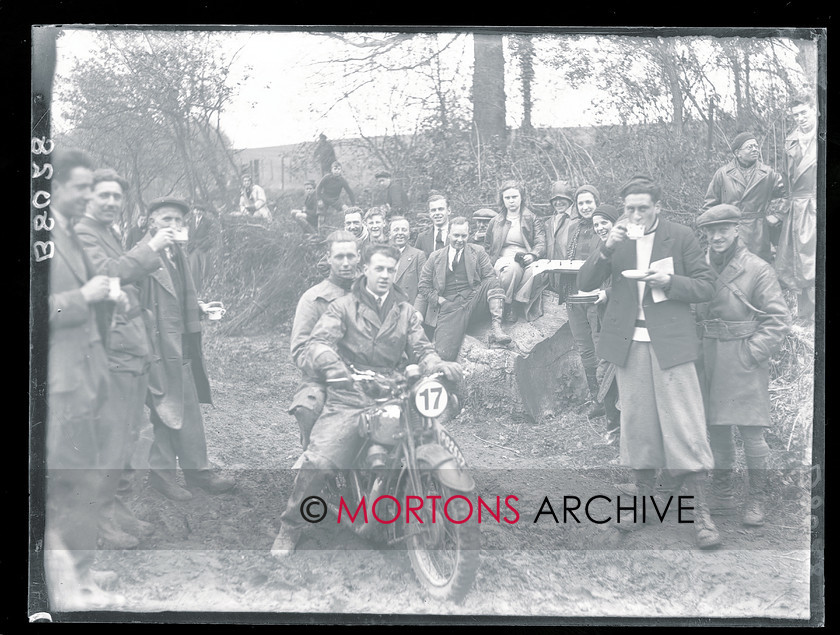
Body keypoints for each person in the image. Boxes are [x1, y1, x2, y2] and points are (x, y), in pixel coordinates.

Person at [271, 244, 463, 557]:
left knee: (424, 436)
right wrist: (335, 368)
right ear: (366, 271)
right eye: (379, 269)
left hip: (393, 389)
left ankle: (423, 500)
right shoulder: (343, 306)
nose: (385, 275)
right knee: (320, 462)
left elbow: (422, 349)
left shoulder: (405, 312)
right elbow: (318, 344)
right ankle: (290, 525)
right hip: (351, 394)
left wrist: (436, 364)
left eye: (390, 269)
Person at [578, 175, 720, 549]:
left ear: (658, 206)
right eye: (630, 208)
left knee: (685, 426)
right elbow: (584, 280)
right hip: (630, 345)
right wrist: (606, 248)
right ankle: (642, 506)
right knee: (637, 426)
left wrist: (670, 280)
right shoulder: (617, 240)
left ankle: (700, 513)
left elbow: (706, 286)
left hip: (671, 344)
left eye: (643, 207)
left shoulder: (680, 236)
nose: (636, 214)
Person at [75, 168, 176, 550]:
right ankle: (100, 521)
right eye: (105, 196)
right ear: (88, 197)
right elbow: (105, 276)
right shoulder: (83, 233)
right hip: (110, 349)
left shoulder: (109, 232)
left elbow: (119, 278)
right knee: (111, 439)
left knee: (128, 435)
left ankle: (117, 510)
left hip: (129, 344)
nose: (112, 203)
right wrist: (149, 248)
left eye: (117, 197)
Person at [44, 149, 124, 608]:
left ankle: (80, 571)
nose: (89, 196)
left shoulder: (68, 232)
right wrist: (80, 298)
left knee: (83, 479)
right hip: (61, 384)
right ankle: (71, 585)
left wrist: (108, 299)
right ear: (52, 188)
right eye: (80, 188)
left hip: (85, 378)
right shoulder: (43, 236)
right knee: (70, 481)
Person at [695, 204, 790, 526]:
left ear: (737, 229)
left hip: (742, 357)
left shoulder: (757, 268)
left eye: (724, 229)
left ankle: (756, 498)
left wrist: (752, 353)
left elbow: (778, 320)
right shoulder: (699, 265)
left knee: (752, 434)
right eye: (711, 231)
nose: (717, 236)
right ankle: (723, 492)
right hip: (709, 357)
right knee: (718, 430)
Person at [138, 197, 236, 501]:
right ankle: (162, 476)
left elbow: (177, 295)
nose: (174, 226)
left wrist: (199, 307)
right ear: (151, 221)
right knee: (163, 409)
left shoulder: (177, 252)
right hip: (155, 346)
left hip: (181, 342)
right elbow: (134, 301)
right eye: (166, 220)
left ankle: (197, 471)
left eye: (179, 221)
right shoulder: (141, 254)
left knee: (188, 408)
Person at [288, 231, 359, 451]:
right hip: (324, 380)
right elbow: (300, 349)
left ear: (359, 257)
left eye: (350, 256)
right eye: (339, 257)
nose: (346, 263)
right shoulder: (313, 298)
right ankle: (312, 461)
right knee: (309, 407)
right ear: (328, 258)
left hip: (369, 377)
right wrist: (330, 368)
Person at [417, 217, 511, 361]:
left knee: (493, 282)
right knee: (443, 354)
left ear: (468, 235)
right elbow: (423, 286)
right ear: (449, 234)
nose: (460, 240)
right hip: (449, 309)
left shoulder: (477, 251)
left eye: (463, 236)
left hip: (473, 301)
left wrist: (476, 294)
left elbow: (489, 276)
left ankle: (496, 327)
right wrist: (441, 301)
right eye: (456, 235)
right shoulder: (435, 257)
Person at [701, 132, 787, 264]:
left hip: (759, 232)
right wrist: (714, 231)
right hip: (731, 230)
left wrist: (778, 215)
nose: (755, 149)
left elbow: (787, 194)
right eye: (749, 147)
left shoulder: (768, 173)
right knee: (732, 269)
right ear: (737, 153)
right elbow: (710, 205)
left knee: (757, 269)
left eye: (756, 146)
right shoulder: (723, 174)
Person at [562, 184, 606, 415]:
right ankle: (596, 399)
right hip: (574, 295)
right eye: (581, 203)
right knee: (584, 348)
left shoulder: (604, 227)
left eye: (589, 202)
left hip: (597, 296)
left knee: (600, 346)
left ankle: (609, 399)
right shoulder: (573, 229)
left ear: (597, 203)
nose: (585, 207)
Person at [775, 96, 818, 321]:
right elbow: (785, 179)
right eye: (795, 115)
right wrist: (782, 210)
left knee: (815, 260)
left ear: (814, 110)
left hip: (816, 205)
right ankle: (805, 315)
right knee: (798, 263)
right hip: (797, 208)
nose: (800, 118)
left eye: (804, 112)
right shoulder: (790, 141)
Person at [483, 180, 546, 322]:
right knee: (513, 268)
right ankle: (506, 304)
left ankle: (516, 303)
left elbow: (541, 242)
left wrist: (532, 255)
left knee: (536, 269)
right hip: (503, 259)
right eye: (507, 198)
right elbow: (487, 245)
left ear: (521, 197)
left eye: (514, 197)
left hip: (526, 257)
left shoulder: (532, 218)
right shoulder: (495, 221)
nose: (511, 201)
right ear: (502, 200)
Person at [590, 204, 621, 444]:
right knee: (606, 374)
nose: (600, 228)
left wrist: (608, 293)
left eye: (604, 223)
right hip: (606, 318)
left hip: (623, 321)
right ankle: (614, 428)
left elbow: (630, 281)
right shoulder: (603, 249)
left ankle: (619, 431)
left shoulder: (625, 247)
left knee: (614, 375)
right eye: (596, 224)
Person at [543, 181, 579, 301]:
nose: (558, 202)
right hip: (551, 277)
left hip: (571, 277)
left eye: (562, 198)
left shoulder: (577, 220)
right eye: (555, 199)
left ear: (570, 199)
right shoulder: (548, 223)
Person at [389, 215, 427, 304]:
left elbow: (423, 288)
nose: (400, 233)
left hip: (408, 308)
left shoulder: (418, 255)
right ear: (390, 234)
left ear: (409, 234)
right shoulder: (381, 254)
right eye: (396, 230)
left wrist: (416, 312)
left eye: (404, 230)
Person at [186, 202, 218, 297]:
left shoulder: (207, 221)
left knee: (205, 270)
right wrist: (190, 245)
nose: (198, 212)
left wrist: (204, 244)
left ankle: (206, 290)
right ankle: (196, 291)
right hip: (193, 249)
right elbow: (189, 235)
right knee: (194, 270)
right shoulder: (190, 221)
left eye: (200, 210)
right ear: (194, 211)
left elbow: (211, 235)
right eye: (196, 210)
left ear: (203, 212)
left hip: (203, 248)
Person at [316, 161, 355, 230]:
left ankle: (350, 229)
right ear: (331, 169)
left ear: (341, 171)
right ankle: (320, 233)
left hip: (335, 199)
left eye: (339, 169)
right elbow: (318, 188)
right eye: (335, 168)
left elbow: (350, 192)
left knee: (347, 210)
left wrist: (354, 205)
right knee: (321, 217)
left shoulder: (342, 180)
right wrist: (319, 200)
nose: (337, 171)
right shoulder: (326, 177)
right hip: (325, 198)